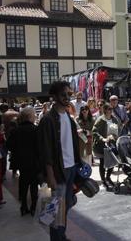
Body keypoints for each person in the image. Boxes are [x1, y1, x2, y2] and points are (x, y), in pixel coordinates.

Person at [38, 81, 81, 241]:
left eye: (69, 94)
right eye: (63, 94)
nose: (67, 97)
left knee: (66, 204)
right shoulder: (48, 120)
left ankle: (61, 235)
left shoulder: (68, 118)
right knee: (55, 210)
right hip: (58, 171)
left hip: (71, 168)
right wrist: (50, 176)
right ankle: (57, 238)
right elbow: (45, 151)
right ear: (54, 96)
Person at [11, 107, 40, 216]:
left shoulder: (16, 130)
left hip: (21, 162)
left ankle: (23, 205)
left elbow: (9, 145)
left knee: (23, 183)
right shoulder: (36, 129)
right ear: (30, 117)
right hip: (34, 162)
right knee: (33, 185)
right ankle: (33, 207)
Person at [92, 103, 120, 190]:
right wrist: (103, 138)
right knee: (103, 163)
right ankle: (103, 180)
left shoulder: (114, 119)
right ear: (105, 110)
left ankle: (108, 177)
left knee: (112, 162)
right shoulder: (100, 120)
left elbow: (118, 129)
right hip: (102, 144)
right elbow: (94, 131)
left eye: (111, 109)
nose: (111, 110)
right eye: (109, 109)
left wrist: (115, 136)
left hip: (112, 143)